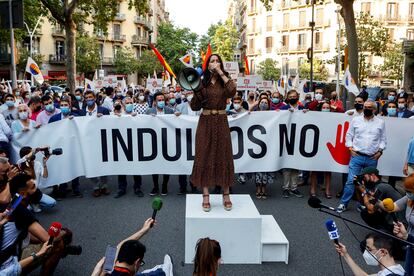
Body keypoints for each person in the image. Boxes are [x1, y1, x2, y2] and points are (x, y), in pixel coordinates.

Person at [189, 54, 236, 212]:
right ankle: (205, 194)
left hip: (221, 121)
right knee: (204, 154)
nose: (215, 63)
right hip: (205, 122)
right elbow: (195, 106)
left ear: (221, 64)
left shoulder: (225, 80)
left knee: (223, 154)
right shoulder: (202, 82)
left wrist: (222, 74)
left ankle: (226, 193)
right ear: (207, 65)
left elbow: (232, 92)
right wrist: (196, 90)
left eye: (217, 61)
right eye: (212, 61)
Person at [337, 100, 387, 213]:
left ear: (374, 109)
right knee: (351, 181)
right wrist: (350, 148)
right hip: (357, 156)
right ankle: (343, 203)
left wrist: (380, 152)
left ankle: (363, 204)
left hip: (372, 158)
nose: (366, 108)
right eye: (365, 106)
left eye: (369, 107)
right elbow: (349, 135)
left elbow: (383, 139)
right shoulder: (355, 120)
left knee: (368, 184)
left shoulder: (380, 122)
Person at [91, 218, 173, 276]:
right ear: (137, 262)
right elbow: (120, 246)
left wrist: (143, 230)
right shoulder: (105, 269)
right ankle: (163, 271)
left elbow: (119, 246)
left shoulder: (104, 271)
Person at [355, 167, 403, 233]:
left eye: (364, 176)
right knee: (365, 212)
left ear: (372, 176)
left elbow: (371, 210)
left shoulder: (381, 187)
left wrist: (364, 191)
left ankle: (386, 231)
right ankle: (383, 230)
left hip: (399, 221)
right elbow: (362, 202)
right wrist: (357, 187)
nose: (363, 179)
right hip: (390, 215)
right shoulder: (375, 186)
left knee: (367, 212)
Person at [83, 90, 111, 197]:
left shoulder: (104, 110)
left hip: (102, 141)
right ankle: (95, 186)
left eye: (91, 97)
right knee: (90, 164)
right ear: (85, 100)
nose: (89, 99)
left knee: (103, 164)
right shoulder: (81, 112)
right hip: (88, 142)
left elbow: (110, 124)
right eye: (87, 98)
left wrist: (103, 118)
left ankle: (104, 186)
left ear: (94, 98)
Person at [115, 97, 144, 198]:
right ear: (123, 105)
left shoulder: (138, 115)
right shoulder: (118, 116)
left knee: (136, 167)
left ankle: (137, 187)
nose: (129, 104)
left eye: (130, 103)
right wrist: (116, 117)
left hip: (135, 145)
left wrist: (137, 118)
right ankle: (121, 188)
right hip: (121, 145)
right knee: (122, 168)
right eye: (127, 103)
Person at [335, 233, 405, 276]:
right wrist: (345, 254)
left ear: (383, 252)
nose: (366, 252)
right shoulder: (396, 269)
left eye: (369, 249)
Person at [146, 92, 174, 196]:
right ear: (154, 102)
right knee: (155, 165)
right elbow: (142, 124)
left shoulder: (170, 111)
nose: (161, 102)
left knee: (167, 164)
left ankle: (164, 185)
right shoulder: (149, 111)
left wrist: (177, 116)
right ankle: (155, 186)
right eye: (159, 100)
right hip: (154, 142)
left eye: (163, 100)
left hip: (167, 142)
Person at [280, 90, 305, 198]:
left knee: (295, 165)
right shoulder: (284, 109)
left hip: (299, 139)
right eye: (290, 96)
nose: (292, 98)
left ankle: (294, 188)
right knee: (287, 165)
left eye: (294, 96)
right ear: (287, 98)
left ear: (298, 97)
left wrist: (307, 114)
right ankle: (286, 187)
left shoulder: (302, 109)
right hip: (287, 139)